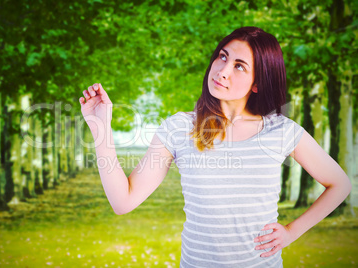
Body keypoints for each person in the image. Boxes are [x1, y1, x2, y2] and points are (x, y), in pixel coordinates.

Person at [79, 27, 351, 267]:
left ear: (258, 83)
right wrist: (100, 127)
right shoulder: (179, 128)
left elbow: (340, 184)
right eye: (222, 57)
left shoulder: (281, 131)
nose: (222, 71)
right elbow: (122, 201)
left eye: (239, 66)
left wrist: (292, 232)